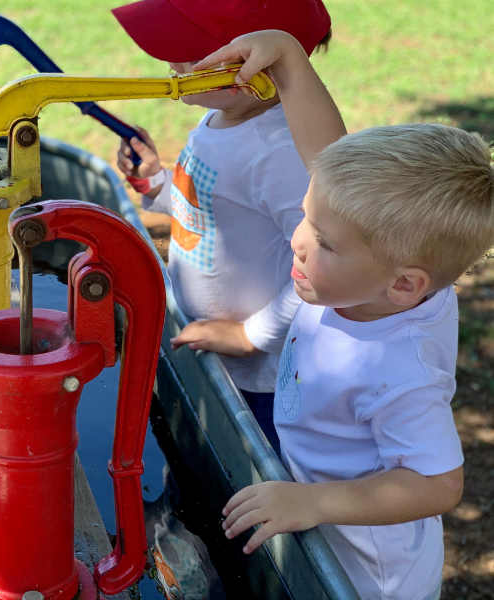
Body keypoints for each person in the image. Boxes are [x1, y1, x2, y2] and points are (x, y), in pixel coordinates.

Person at [196, 30, 493, 600]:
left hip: (368, 575)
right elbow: (323, 155)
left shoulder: (401, 368)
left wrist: (313, 502)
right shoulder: (377, 274)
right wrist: (285, 56)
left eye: (325, 243)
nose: (300, 242)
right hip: (327, 528)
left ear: (406, 285)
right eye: (307, 216)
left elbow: (437, 484)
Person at [112, 0, 332, 452]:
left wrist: (251, 336)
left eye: (187, 49)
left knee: (248, 477)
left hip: (262, 381)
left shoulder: (281, 154)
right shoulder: (220, 117)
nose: (170, 61)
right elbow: (208, 206)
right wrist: (156, 182)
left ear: (255, 70)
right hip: (211, 354)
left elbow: (324, 271)